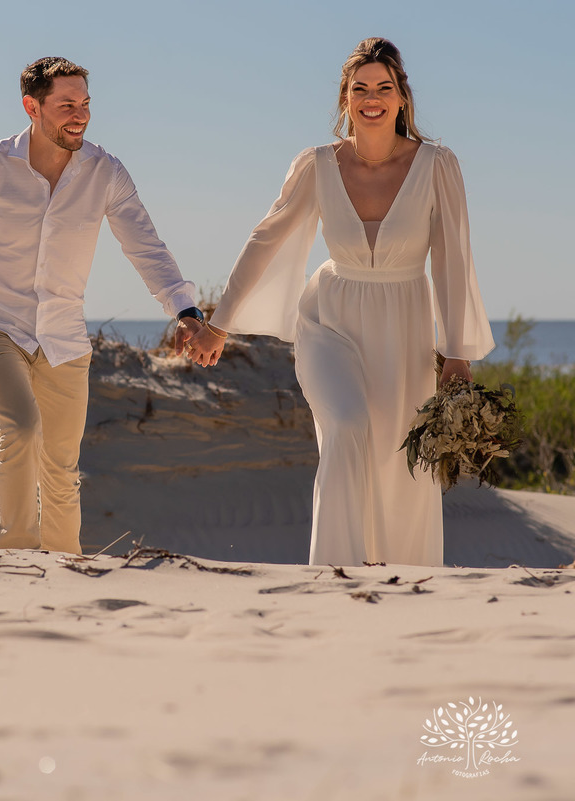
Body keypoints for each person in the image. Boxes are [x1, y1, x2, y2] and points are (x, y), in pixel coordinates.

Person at [185, 38, 494, 567]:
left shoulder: (437, 166)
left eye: (383, 87)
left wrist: (458, 353)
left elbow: (454, 261)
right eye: (359, 88)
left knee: (401, 467)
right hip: (329, 320)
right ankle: (335, 574)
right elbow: (268, 239)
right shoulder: (317, 165)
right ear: (345, 99)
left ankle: (399, 574)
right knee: (347, 426)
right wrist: (221, 323)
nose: (371, 98)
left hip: (405, 325)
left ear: (401, 98)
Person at [0, 56, 203, 555]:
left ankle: (65, 576)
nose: (81, 115)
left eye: (86, 104)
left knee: (62, 470)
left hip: (64, 337)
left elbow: (146, 247)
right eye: (67, 104)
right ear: (32, 107)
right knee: (22, 431)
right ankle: (16, 561)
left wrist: (186, 311)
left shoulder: (105, 171)